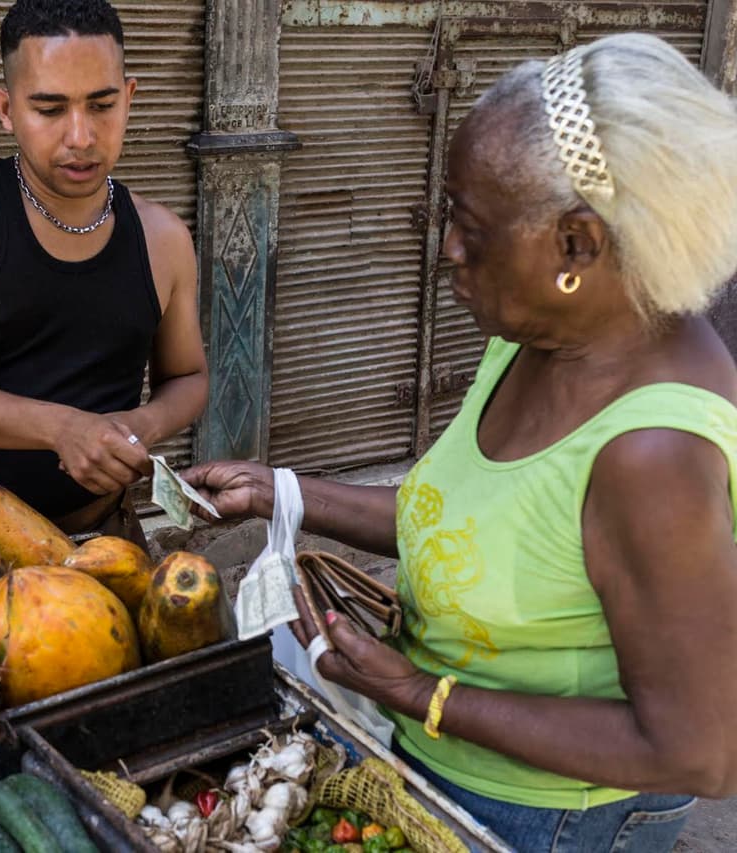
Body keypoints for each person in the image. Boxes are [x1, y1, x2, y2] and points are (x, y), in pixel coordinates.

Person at [184, 32, 737, 853]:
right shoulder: (534, 337)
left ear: (576, 245)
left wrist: (423, 694)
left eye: (471, 226)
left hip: (548, 822)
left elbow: (699, 749)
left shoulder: (651, 455)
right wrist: (282, 492)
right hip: (443, 768)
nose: (446, 249)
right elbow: (469, 517)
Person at [0, 0, 207, 544]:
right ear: (6, 108)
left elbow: (188, 377)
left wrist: (138, 428)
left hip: (103, 537)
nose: (81, 136)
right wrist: (64, 429)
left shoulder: (164, 237)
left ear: (129, 99)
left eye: (102, 105)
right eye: (50, 109)